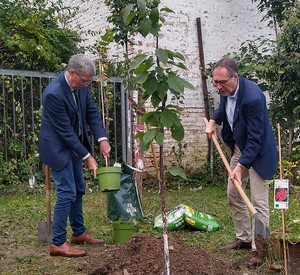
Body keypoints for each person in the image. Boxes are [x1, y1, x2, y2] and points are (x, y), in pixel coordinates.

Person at [205, 58, 278, 267]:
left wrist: (239, 166)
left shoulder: (253, 98)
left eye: (222, 83)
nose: (219, 87)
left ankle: (259, 249)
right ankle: (245, 238)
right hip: (241, 147)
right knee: (233, 193)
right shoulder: (226, 90)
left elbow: (256, 140)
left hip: (259, 152)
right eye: (215, 83)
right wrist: (212, 121)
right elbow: (223, 109)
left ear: (235, 77)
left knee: (258, 202)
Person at [39, 54, 111, 257]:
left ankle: (78, 233)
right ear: (72, 73)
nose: (87, 85)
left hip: (73, 146)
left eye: (89, 81)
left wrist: (102, 139)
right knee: (67, 191)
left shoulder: (82, 88)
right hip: (57, 147)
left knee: (79, 188)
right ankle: (58, 243)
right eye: (84, 80)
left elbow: (92, 112)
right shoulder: (54, 93)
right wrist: (88, 156)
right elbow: (65, 132)